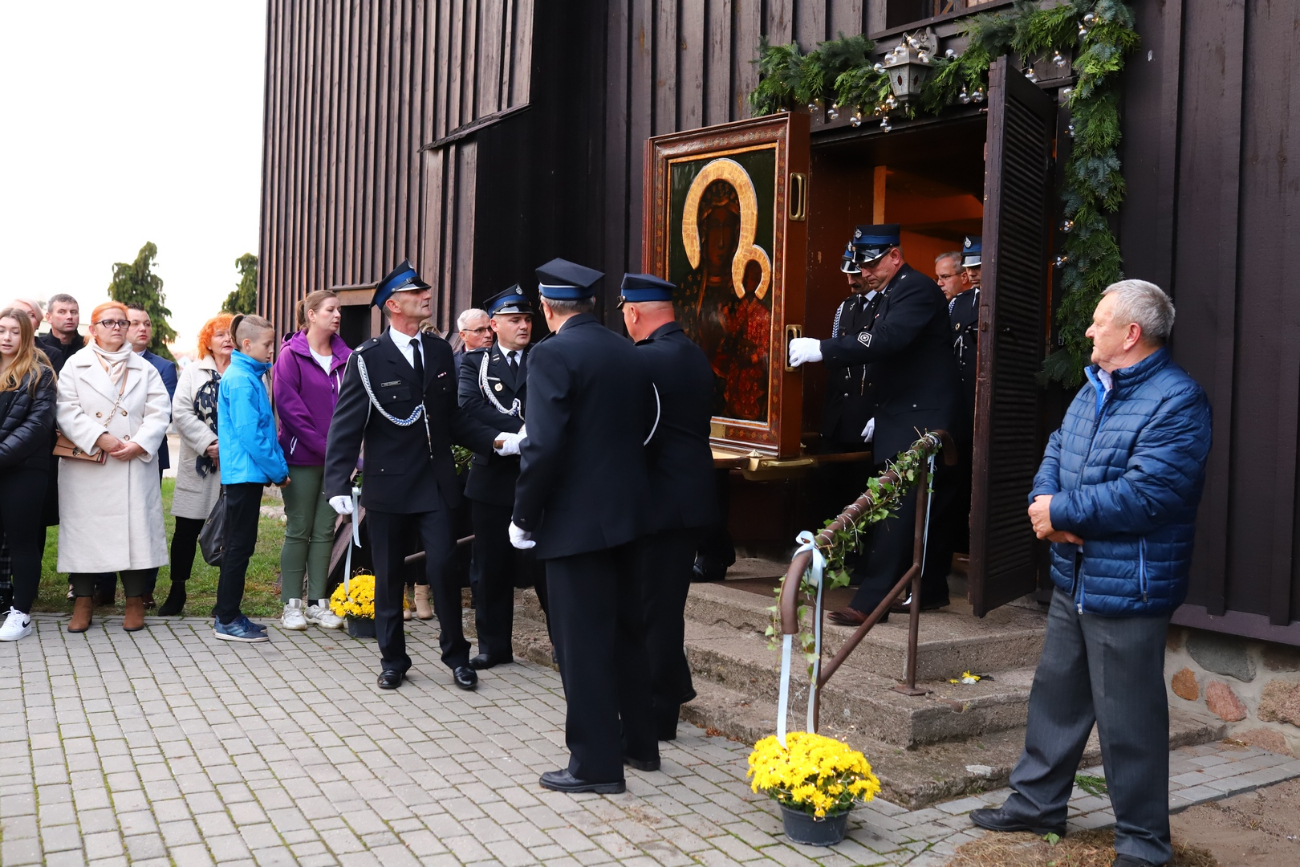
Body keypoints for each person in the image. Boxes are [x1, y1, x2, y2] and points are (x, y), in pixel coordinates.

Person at [970, 280, 1212, 867]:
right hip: (1075, 575)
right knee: (1056, 696)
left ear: (1131, 334)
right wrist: (1044, 504)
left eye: (1098, 320)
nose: (1087, 330)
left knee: (1128, 719)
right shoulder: (1094, 387)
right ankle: (1037, 804)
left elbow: (1149, 493)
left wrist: (1064, 513)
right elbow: (1057, 449)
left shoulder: (1177, 400)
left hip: (1129, 583)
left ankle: (1143, 844)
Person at [510, 258, 658, 794]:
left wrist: (523, 517)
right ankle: (639, 744)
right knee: (625, 634)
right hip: (628, 514)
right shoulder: (627, 349)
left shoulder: (551, 354)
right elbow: (641, 428)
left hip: (575, 523)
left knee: (582, 645)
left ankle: (595, 765)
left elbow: (542, 444)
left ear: (549, 308)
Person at [325, 260, 505, 690]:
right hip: (388, 483)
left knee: (444, 568)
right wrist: (337, 484)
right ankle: (393, 659)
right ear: (393, 305)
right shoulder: (367, 359)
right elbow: (346, 425)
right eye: (416, 292)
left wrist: (497, 439)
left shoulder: (440, 350)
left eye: (425, 290)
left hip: (436, 482)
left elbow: (453, 419)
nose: (427, 295)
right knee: (388, 576)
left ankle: (455, 655)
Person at [788, 224, 964, 623]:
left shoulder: (915, 288)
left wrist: (823, 349)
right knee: (900, 507)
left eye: (870, 263)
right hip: (901, 411)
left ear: (895, 256)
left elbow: (888, 339)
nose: (863, 272)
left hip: (921, 416)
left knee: (896, 509)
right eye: (861, 265)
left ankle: (871, 603)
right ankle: (915, 591)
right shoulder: (889, 293)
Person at [620, 273, 718, 741]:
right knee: (664, 606)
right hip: (688, 499)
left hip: (659, 503)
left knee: (651, 610)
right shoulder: (691, 352)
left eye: (623, 311)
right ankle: (673, 691)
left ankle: (659, 714)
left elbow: (637, 435)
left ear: (634, 311)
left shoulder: (647, 361)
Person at [56, 301, 171, 634]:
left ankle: (135, 601)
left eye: (122, 322)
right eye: (109, 322)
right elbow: (66, 410)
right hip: (88, 462)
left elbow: (159, 411)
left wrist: (140, 443)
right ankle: (83, 601)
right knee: (84, 533)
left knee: (134, 532)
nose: (118, 328)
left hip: (131, 462)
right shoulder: (75, 366)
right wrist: (99, 437)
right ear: (92, 329)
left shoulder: (144, 368)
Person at [457, 285, 540, 669]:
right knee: (490, 567)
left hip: (538, 476)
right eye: (514, 320)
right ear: (494, 324)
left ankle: (564, 643)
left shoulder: (543, 358)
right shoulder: (476, 363)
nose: (523, 326)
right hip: (492, 478)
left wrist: (531, 436)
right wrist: (513, 435)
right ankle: (493, 646)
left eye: (526, 319)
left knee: (545, 564)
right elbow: (468, 407)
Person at [273, 290, 350, 631]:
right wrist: (331, 450)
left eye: (339, 310)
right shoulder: (290, 356)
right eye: (331, 310)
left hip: (334, 462)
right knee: (299, 529)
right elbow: (292, 413)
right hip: (301, 458)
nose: (337, 315)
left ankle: (318, 603)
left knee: (324, 531)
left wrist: (346, 452)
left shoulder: (347, 357)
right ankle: (291, 604)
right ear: (311, 315)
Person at [213, 314, 289, 643]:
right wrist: (278, 471)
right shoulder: (242, 379)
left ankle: (228, 611)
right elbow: (250, 435)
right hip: (244, 476)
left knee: (240, 547)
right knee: (238, 548)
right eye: (267, 344)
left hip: (246, 475)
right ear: (247, 344)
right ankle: (227, 618)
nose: (271, 350)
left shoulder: (248, 374)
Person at [160, 314, 233, 616]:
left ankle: (226, 598)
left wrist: (228, 449)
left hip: (234, 465)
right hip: (198, 464)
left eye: (231, 333)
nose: (226, 339)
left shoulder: (250, 371)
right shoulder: (193, 372)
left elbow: (258, 412)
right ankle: (177, 590)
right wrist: (208, 443)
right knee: (185, 530)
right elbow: (180, 412)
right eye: (219, 335)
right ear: (208, 341)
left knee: (231, 532)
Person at [0, 309, 58, 642]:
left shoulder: (40, 374)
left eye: (14, 332)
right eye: (1, 330)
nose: (7, 337)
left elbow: (37, 426)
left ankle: (21, 614)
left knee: (22, 543)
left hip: (24, 471)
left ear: (27, 336)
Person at [122, 303, 178, 608]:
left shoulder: (164, 367)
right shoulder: (101, 363)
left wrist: (134, 440)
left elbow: (161, 413)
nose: (142, 328)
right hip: (106, 453)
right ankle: (99, 586)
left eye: (147, 324)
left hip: (146, 454)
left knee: (144, 521)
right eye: (135, 323)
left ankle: (144, 589)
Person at [947, 239, 981, 554]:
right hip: (960, 402)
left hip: (987, 402)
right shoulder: (958, 303)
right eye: (970, 266)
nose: (974, 272)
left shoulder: (1003, 297)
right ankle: (957, 540)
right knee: (957, 472)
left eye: (979, 265)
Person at [37, 294, 85, 373]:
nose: (69, 316)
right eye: (62, 312)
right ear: (49, 317)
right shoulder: (37, 347)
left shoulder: (89, 346)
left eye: (73, 312)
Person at [453, 308, 492, 373]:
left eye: (490, 328)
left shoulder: (505, 358)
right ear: (463, 335)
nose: (488, 335)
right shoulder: (451, 363)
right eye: (479, 330)